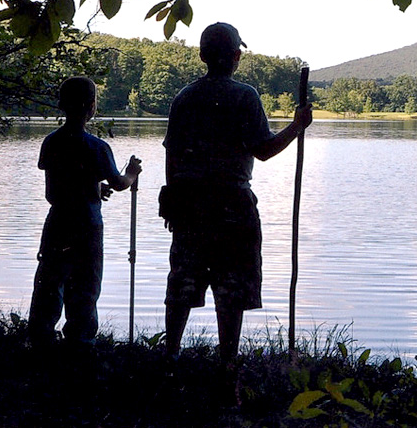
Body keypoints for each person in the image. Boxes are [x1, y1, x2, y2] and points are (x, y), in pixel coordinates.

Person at [161, 22, 312, 362]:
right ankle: (227, 369)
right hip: (233, 206)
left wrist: (172, 198)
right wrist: (297, 126)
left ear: (202, 55)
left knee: (183, 287)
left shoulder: (185, 97)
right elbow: (264, 149)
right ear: (235, 56)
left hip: (190, 205)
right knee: (230, 293)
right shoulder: (244, 96)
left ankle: (168, 361)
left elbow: (172, 153)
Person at [29, 76, 142, 348]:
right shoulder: (97, 147)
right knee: (86, 285)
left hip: (57, 222)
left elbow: (54, 191)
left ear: (62, 106)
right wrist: (131, 173)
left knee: (49, 281)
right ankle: (80, 343)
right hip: (87, 226)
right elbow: (119, 183)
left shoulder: (51, 142)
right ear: (92, 107)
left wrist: (93, 187)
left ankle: (40, 338)